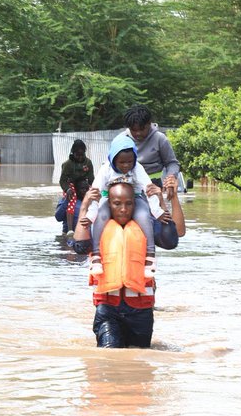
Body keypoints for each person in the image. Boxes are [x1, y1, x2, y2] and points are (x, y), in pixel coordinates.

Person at [72, 182, 156, 348]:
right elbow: (80, 247)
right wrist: (85, 208)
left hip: (141, 310)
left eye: (129, 203)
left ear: (135, 203)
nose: (123, 209)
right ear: (109, 204)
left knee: (139, 361)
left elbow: (174, 237)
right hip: (108, 308)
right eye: (117, 203)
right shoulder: (99, 228)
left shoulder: (147, 227)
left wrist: (171, 199)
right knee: (109, 356)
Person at [79, 134, 163, 277]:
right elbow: (95, 192)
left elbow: (148, 188)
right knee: (101, 216)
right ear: (113, 159)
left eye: (130, 162)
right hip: (109, 199)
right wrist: (90, 215)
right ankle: (96, 255)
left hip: (134, 199)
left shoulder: (137, 168)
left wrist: (158, 211)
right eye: (121, 162)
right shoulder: (106, 169)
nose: (126, 166)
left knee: (144, 217)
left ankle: (150, 256)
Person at [121, 105, 182, 190]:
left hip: (154, 185)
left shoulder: (160, 139)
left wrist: (171, 177)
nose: (138, 133)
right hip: (127, 185)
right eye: (134, 130)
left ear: (149, 124)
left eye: (142, 129)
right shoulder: (121, 140)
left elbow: (172, 163)